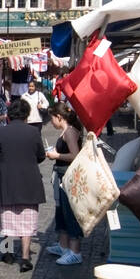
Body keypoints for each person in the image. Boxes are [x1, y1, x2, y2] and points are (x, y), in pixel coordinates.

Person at [0, 98, 46, 272]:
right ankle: (26, 257)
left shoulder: (2, 133)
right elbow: (41, 156)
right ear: (27, 114)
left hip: (7, 180)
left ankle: (8, 253)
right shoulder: (33, 132)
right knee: (28, 218)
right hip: (29, 181)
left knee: (7, 217)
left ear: (10, 115)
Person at [44, 102, 84, 266]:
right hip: (62, 176)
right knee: (61, 210)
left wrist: (56, 155)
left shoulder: (70, 133)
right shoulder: (65, 132)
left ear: (59, 117)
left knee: (70, 211)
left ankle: (75, 251)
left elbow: (75, 155)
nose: (51, 122)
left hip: (68, 177)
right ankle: (63, 245)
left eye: (52, 118)